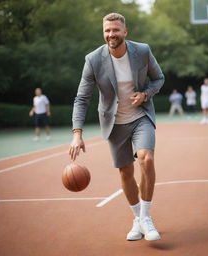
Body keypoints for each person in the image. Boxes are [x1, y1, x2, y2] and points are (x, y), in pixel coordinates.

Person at [69, 13, 164, 241]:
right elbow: (82, 98)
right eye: (107, 30)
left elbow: (158, 78)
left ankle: (146, 218)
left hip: (140, 115)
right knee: (125, 171)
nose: (111, 34)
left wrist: (145, 94)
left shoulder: (141, 51)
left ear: (125, 32)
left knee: (146, 159)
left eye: (115, 30)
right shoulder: (93, 60)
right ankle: (136, 219)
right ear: (104, 33)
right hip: (114, 123)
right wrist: (77, 134)